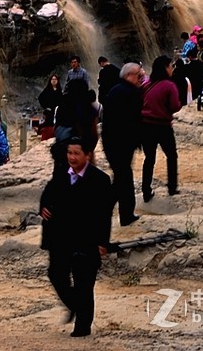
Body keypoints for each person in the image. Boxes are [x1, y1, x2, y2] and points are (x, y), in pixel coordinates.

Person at [39, 138, 115, 338]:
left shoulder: (100, 180)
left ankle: (82, 327)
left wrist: (102, 242)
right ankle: (74, 305)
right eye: (69, 153)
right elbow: (48, 194)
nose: (72, 157)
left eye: (76, 154)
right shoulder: (62, 174)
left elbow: (104, 215)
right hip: (61, 237)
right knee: (56, 275)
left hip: (87, 239)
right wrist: (44, 208)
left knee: (84, 283)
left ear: (87, 155)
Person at [102, 62, 144, 226]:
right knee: (122, 180)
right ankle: (107, 210)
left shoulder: (119, 90)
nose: (142, 78)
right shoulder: (126, 92)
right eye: (139, 75)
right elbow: (130, 120)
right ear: (128, 76)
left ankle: (126, 214)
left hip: (115, 143)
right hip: (119, 145)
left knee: (123, 178)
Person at [141, 55, 182, 202]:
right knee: (171, 156)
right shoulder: (169, 85)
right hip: (163, 126)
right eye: (171, 66)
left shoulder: (146, 84)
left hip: (146, 126)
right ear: (165, 68)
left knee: (149, 158)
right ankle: (172, 187)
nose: (172, 69)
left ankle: (146, 190)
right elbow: (175, 106)